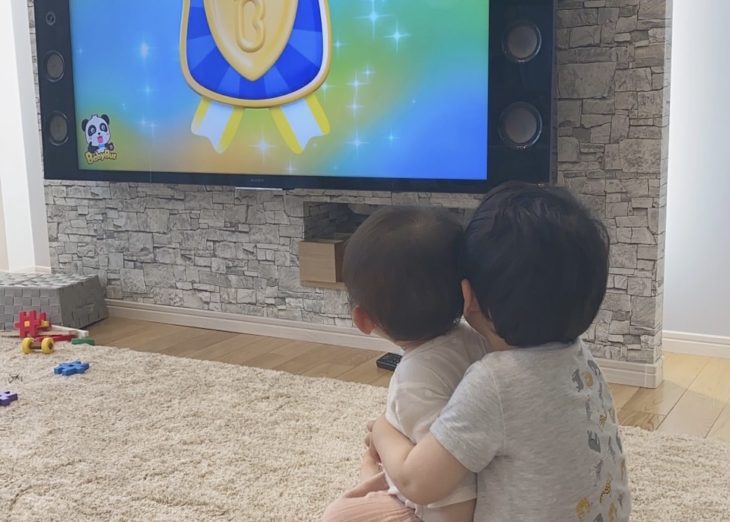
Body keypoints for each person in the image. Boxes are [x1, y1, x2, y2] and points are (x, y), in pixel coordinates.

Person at [370, 182, 631, 521]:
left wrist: (382, 429)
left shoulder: (495, 382)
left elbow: (418, 482)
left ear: (468, 296)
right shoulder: (581, 359)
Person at [323, 207, 489, 522]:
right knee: (375, 478)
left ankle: (374, 478)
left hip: (439, 508)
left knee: (339, 515)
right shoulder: (475, 339)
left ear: (363, 319)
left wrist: (383, 430)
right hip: (459, 482)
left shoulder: (415, 379)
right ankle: (374, 476)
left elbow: (447, 490)